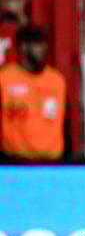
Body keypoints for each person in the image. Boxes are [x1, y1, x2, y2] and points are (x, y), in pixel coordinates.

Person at [0, 24, 66, 164]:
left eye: (44, 43)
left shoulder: (57, 81)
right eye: (37, 43)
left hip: (52, 162)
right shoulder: (4, 79)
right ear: (23, 47)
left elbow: (66, 124)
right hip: (15, 162)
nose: (43, 48)